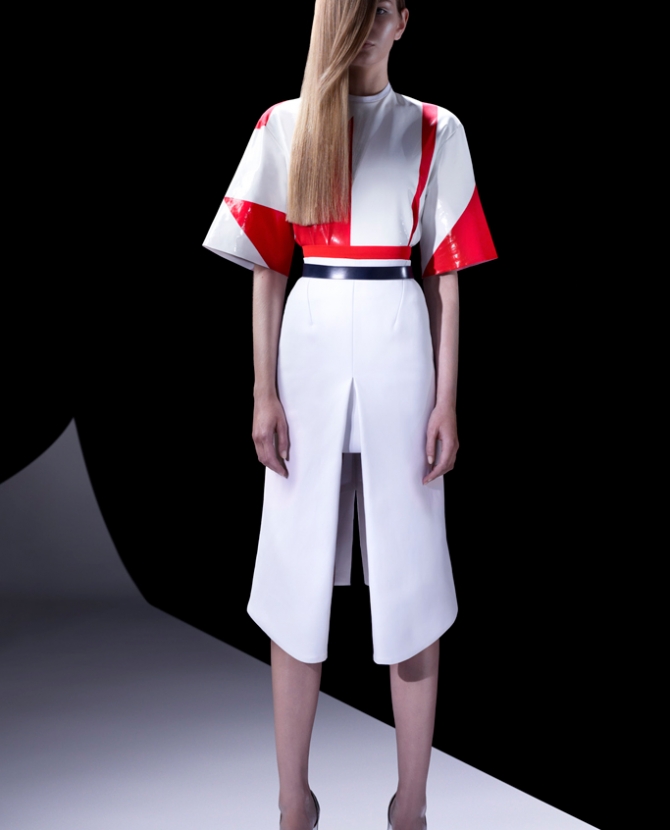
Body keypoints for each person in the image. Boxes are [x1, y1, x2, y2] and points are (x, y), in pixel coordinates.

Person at [203, 1, 496, 827]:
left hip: (402, 339)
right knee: (294, 574)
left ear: (402, 20)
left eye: (380, 10)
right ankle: (293, 802)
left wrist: (446, 401)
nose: (365, 25)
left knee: (413, 576)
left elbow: (447, 278)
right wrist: (262, 391)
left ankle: (413, 805)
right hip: (312, 339)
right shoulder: (286, 124)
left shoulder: (436, 129)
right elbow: (267, 267)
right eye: (352, 10)